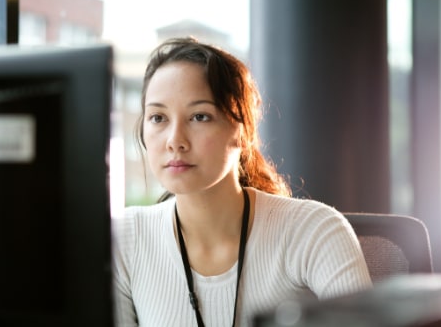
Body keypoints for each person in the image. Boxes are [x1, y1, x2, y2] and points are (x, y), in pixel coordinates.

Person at [112, 37, 372, 327]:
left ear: (242, 131)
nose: (175, 141)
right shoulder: (124, 239)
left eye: (200, 116)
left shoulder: (314, 231)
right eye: (158, 117)